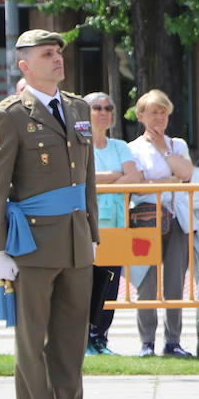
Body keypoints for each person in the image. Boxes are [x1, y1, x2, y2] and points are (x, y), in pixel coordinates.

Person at [0, 29, 103, 399]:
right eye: (47, 54)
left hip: (73, 239)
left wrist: (91, 233)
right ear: (24, 65)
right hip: (30, 242)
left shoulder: (78, 107)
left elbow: (85, 176)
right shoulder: (11, 114)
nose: (58, 59)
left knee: (71, 340)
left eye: (59, 53)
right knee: (32, 340)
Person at [128, 89, 195, 358]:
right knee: (146, 281)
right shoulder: (131, 149)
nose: (159, 117)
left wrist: (165, 152)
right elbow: (137, 186)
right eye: (153, 111)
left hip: (177, 219)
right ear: (141, 115)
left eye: (163, 112)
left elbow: (187, 174)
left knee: (175, 283)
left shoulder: (177, 145)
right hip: (145, 220)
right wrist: (166, 181)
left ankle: (173, 341)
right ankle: (146, 341)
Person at [83, 91, 142, 355]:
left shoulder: (120, 146)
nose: (104, 112)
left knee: (110, 284)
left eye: (108, 108)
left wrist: (101, 182)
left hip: (117, 224)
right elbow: (82, 180)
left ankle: (101, 338)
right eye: (97, 108)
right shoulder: (79, 145)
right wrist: (112, 177)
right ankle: (83, 339)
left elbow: (135, 176)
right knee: (85, 285)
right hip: (87, 225)